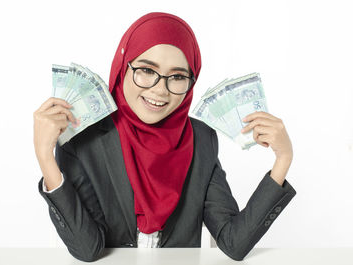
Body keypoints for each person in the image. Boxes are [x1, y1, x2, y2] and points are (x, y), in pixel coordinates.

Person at [33, 12, 296, 262]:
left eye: (178, 76)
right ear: (123, 67)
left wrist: (283, 159)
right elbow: (87, 249)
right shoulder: (83, 137)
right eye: (147, 70)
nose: (160, 90)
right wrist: (45, 157)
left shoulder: (201, 138)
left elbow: (234, 243)